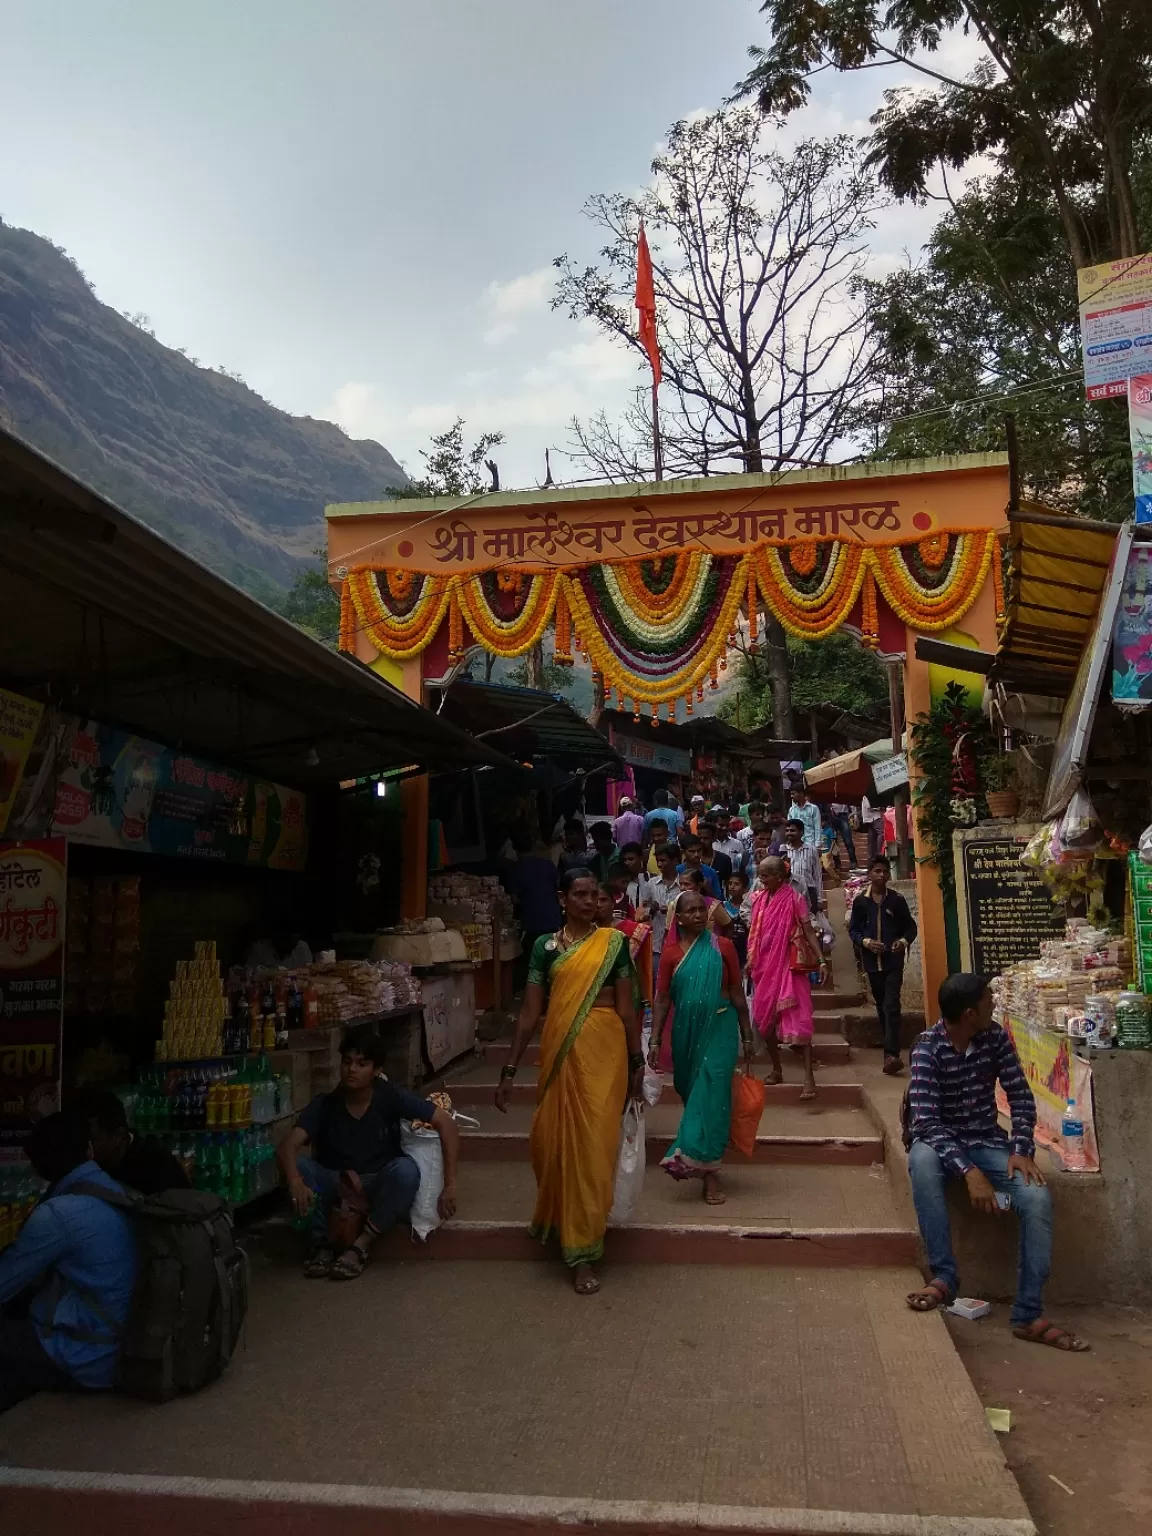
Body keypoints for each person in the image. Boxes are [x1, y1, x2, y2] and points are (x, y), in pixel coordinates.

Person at [905, 974, 1089, 1352]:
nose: (994, 1006)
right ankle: (944, 1277)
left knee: (1036, 1199)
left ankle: (1027, 1313)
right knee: (921, 1163)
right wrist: (969, 1172)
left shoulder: (995, 1038)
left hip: (988, 1141)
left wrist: (1021, 1149)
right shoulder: (927, 1049)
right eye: (989, 1002)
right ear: (970, 1013)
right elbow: (924, 1121)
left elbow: (1021, 1097)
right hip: (940, 1142)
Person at [495, 868, 641, 1295]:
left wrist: (637, 1065)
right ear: (562, 899)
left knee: (594, 1144)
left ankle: (584, 1251)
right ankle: (561, 1223)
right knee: (552, 1142)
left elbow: (628, 1009)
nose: (588, 901)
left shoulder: (613, 944)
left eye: (593, 894)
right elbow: (529, 1014)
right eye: (579, 894)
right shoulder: (544, 947)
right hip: (559, 1052)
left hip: (606, 1049)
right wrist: (509, 1070)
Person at [278, 1026, 460, 1281]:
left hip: (377, 1183)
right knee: (297, 1166)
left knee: (406, 1172)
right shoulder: (326, 1103)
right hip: (336, 1183)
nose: (352, 1069)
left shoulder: (390, 1097)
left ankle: (361, 1244)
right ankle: (320, 1246)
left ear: (376, 1070)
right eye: (347, 1062)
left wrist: (450, 1184)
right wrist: (295, 1180)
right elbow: (288, 1145)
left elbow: (446, 1123)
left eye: (361, 1064)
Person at [0, 1111, 136, 1414]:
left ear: (37, 1166)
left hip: (85, 1356)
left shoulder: (58, 1214)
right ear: (88, 1150)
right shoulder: (111, 1188)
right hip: (120, 1346)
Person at [648, 890, 755, 1205]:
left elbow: (736, 991)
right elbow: (662, 999)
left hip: (721, 1028)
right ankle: (698, 1155)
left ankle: (707, 1172)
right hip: (686, 1035)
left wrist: (747, 1034)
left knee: (712, 1094)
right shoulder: (670, 955)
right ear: (677, 918)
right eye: (690, 911)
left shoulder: (722, 948)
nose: (697, 915)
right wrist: (654, 1039)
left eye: (701, 909)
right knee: (693, 1093)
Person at [747, 856, 827, 1100]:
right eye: (760, 875)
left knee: (799, 1019)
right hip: (763, 968)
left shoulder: (795, 899)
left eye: (765, 876)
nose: (761, 880)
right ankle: (776, 1068)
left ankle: (808, 1077)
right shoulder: (758, 900)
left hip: (789, 968)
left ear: (779, 877)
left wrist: (821, 959)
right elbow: (755, 934)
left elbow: (809, 930)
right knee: (764, 1018)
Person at [848, 856, 918, 1075]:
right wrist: (866, 942)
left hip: (892, 962)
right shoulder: (861, 902)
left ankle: (892, 1054)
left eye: (885, 871)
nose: (881, 875)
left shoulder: (896, 900)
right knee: (881, 1006)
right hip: (872, 963)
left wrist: (903, 942)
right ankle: (889, 1050)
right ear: (869, 873)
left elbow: (910, 928)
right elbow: (853, 930)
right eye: (877, 871)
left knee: (891, 1005)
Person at [81, 1089, 189, 1194]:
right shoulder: (84, 1163)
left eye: (94, 1140)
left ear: (118, 1135)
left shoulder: (160, 1168)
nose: (87, 1148)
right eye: (83, 1138)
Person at [505, 835, 563, 985]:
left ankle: (535, 987)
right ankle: (553, 985)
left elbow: (515, 899)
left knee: (534, 959)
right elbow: (558, 886)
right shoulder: (548, 864)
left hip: (532, 922)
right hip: (552, 919)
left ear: (516, 851)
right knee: (552, 954)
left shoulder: (516, 869)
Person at [781, 818, 825, 915]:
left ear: (801, 832)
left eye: (792, 830)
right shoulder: (783, 850)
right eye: (787, 831)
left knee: (811, 922)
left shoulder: (811, 850)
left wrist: (819, 899)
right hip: (789, 891)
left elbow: (817, 875)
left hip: (809, 891)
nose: (789, 833)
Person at [678, 833, 723, 900]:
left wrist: (708, 889)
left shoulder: (711, 872)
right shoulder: (677, 871)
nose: (696, 854)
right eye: (691, 851)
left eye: (699, 850)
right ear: (683, 852)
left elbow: (720, 900)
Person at [723, 869, 753, 969]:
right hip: (726, 946)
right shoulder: (723, 906)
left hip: (743, 947)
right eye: (730, 883)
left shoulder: (748, 908)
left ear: (745, 889)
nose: (732, 886)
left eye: (736, 884)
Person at [245, 929, 313, 969]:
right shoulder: (259, 949)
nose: (291, 944)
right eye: (287, 938)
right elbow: (248, 974)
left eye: (295, 941)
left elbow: (308, 973)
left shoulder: (302, 947)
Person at [697, 819, 733, 889]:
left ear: (714, 838)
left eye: (706, 838)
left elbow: (727, 884)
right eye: (700, 838)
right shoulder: (692, 859)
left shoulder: (724, 860)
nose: (702, 841)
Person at [788, 784, 822, 848]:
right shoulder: (791, 810)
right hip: (796, 846)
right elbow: (789, 828)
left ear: (801, 793)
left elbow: (817, 827)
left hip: (810, 845)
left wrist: (817, 845)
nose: (791, 796)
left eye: (793, 794)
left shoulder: (813, 808)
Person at [828, 802, 856, 869]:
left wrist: (853, 815)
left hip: (843, 816)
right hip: (832, 816)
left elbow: (852, 805)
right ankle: (837, 864)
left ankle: (853, 862)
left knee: (848, 841)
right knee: (834, 842)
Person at [860, 795, 884, 865]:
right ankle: (879, 852)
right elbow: (869, 807)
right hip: (874, 817)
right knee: (881, 833)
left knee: (871, 839)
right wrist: (880, 808)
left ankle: (871, 858)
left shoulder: (865, 795)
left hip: (869, 819)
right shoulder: (868, 795)